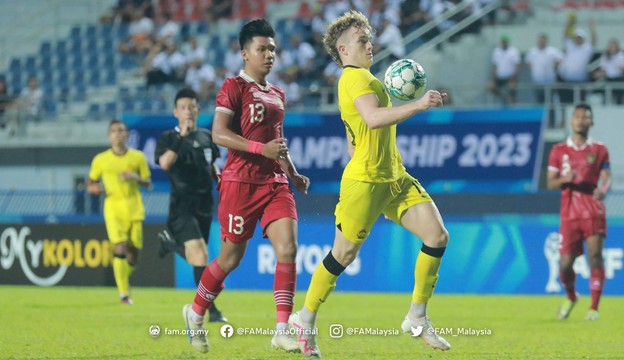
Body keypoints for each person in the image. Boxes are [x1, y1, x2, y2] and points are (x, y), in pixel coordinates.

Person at [289, 10, 450, 357]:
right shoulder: (354, 78)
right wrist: (420, 104)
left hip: (394, 177)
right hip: (365, 182)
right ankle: (304, 319)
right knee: (342, 255)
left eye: (369, 38)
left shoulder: (366, 78)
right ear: (344, 50)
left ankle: (417, 317)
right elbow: (374, 119)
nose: (370, 44)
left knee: (437, 236)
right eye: (362, 40)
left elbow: (355, 132)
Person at [181, 19, 310, 354]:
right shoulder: (233, 87)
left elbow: (277, 143)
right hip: (239, 183)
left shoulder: (278, 94)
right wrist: (258, 150)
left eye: (272, 50)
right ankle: (195, 313)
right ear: (245, 54)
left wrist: (292, 173)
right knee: (230, 259)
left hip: (275, 183)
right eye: (262, 49)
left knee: (288, 249)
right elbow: (218, 134)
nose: (269, 55)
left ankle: (282, 328)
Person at [154, 88, 227, 323]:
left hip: (204, 204)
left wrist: (220, 179)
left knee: (200, 259)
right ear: (176, 112)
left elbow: (212, 165)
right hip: (181, 205)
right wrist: (181, 137)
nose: (188, 111)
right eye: (183, 107)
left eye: (192, 106)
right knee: (200, 254)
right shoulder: (168, 138)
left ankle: (169, 245)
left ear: (197, 109)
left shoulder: (207, 136)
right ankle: (212, 311)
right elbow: (165, 163)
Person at [547, 103, 611, 321]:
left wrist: (603, 190)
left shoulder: (600, 149)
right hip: (569, 212)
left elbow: (606, 178)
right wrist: (566, 179)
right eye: (577, 116)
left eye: (585, 117)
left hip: (593, 209)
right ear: (571, 121)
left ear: (591, 122)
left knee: (595, 256)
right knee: (565, 265)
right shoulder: (558, 150)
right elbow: (550, 183)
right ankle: (572, 296)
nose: (581, 120)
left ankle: (594, 308)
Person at [87, 119, 152, 304]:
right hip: (113, 209)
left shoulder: (137, 157)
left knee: (133, 256)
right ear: (109, 136)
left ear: (127, 135)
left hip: (134, 209)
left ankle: (122, 275)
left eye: (121, 130)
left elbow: (148, 183)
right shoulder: (100, 160)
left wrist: (135, 177)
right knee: (120, 246)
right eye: (114, 131)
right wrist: (95, 189)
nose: (118, 133)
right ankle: (124, 294)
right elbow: (90, 183)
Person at [488, 34, 521, 106]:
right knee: (491, 87)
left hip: (510, 77)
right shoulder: (496, 51)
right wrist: (493, 80)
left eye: (505, 42)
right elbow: (494, 66)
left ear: (507, 42)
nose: (504, 43)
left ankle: (513, 103)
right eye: (503, 42)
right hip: (500, 77)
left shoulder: (513, 51)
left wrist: (514, 79)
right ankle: (503, 96)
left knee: (511, 88)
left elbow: (517, 66)